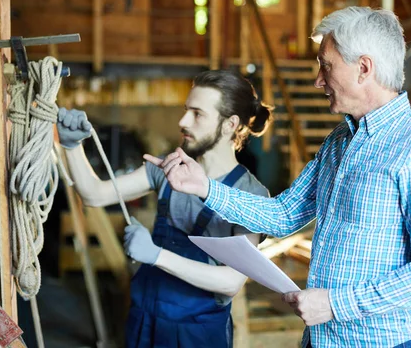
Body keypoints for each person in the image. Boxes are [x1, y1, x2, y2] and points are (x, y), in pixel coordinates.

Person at [147, 7, 411, 348]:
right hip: (320, 339)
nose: (318, 80)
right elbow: (283, 215)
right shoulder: (339, 141)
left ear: (364, 68)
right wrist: (205, 187)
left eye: (326, 66)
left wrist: (334, 304)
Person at [56, 70, 273, 348]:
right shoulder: (168, 168)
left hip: (198, 333)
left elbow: (231, 281)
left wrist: (157, 255)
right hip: (144, 321)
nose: (183, 121)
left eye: (197, 114)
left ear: (230, 124)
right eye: (186, 110)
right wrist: (72, 146)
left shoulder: (250, 194)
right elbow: (94, 195)